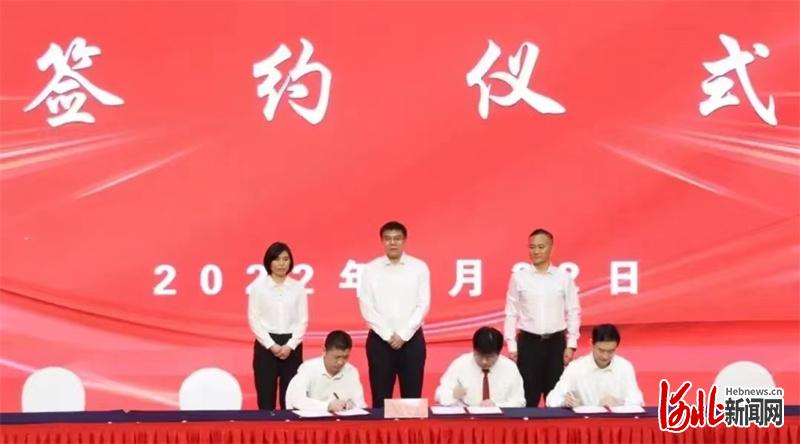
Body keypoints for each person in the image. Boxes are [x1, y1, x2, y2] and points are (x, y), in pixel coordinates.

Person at [504, 228, 581, 407]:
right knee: (526, 398)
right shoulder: (519, 278)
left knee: (556, 399)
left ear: (551, 248)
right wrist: (512, 345)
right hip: (528, 344)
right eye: (532, 247)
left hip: (556, 344)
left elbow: (573, 311)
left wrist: (571, 344)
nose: (536, 251)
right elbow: (511, 312)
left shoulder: (563, 277)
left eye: (541, 247)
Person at [358, 221, 430, 408]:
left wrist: (404, 334)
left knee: (412, 401)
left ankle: (412, 429)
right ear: (382, 241)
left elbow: (423, 304)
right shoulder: (370, 269)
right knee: (381, 400)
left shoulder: (419, 267)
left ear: (404, 241)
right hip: (380, 342)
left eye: (397, 238)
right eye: (388, 239)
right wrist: (388, 335)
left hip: (412, 340)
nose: (393, 243)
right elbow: (366, 306)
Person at [248, 241, 308, 410]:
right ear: (269, 262)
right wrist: (271, 345)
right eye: (277, 259)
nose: (282, 263)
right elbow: (254, 319)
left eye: (285, 259)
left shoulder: (298, 288)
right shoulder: (258, 287)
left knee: (291, 399)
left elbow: (302, 320)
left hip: (292, 346)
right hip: (266, 346)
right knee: (266, 398)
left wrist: (290, 345)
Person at [546, 324, 644, 408]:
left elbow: (638, 401)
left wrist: (619, 402)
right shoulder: (576, 368)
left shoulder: (625, 367)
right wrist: (564, 402)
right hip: (586, 423)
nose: (605, 356)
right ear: (591, 344)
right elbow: (551, 399)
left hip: (616, 422)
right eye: (601, 350)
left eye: (611, 351)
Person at [435, 327, 525, 407]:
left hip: (499, 418)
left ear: (498, 353)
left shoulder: (510, 368)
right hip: (467, 417)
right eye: (479, 355)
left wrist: (497, 406)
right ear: (474, 350)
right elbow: (439, 395)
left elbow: (519, 401)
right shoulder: (460, 363)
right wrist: (453, 395)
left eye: (489, 357)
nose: (484, 361)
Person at [285, 330, 367, 412]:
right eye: (337, 357)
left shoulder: (351, 371)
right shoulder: (308, 368)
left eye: (345, 357)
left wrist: (352, 406)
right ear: (324, 351)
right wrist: (328, 406)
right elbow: (297, 400)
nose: (341, 362)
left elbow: (361, 405)